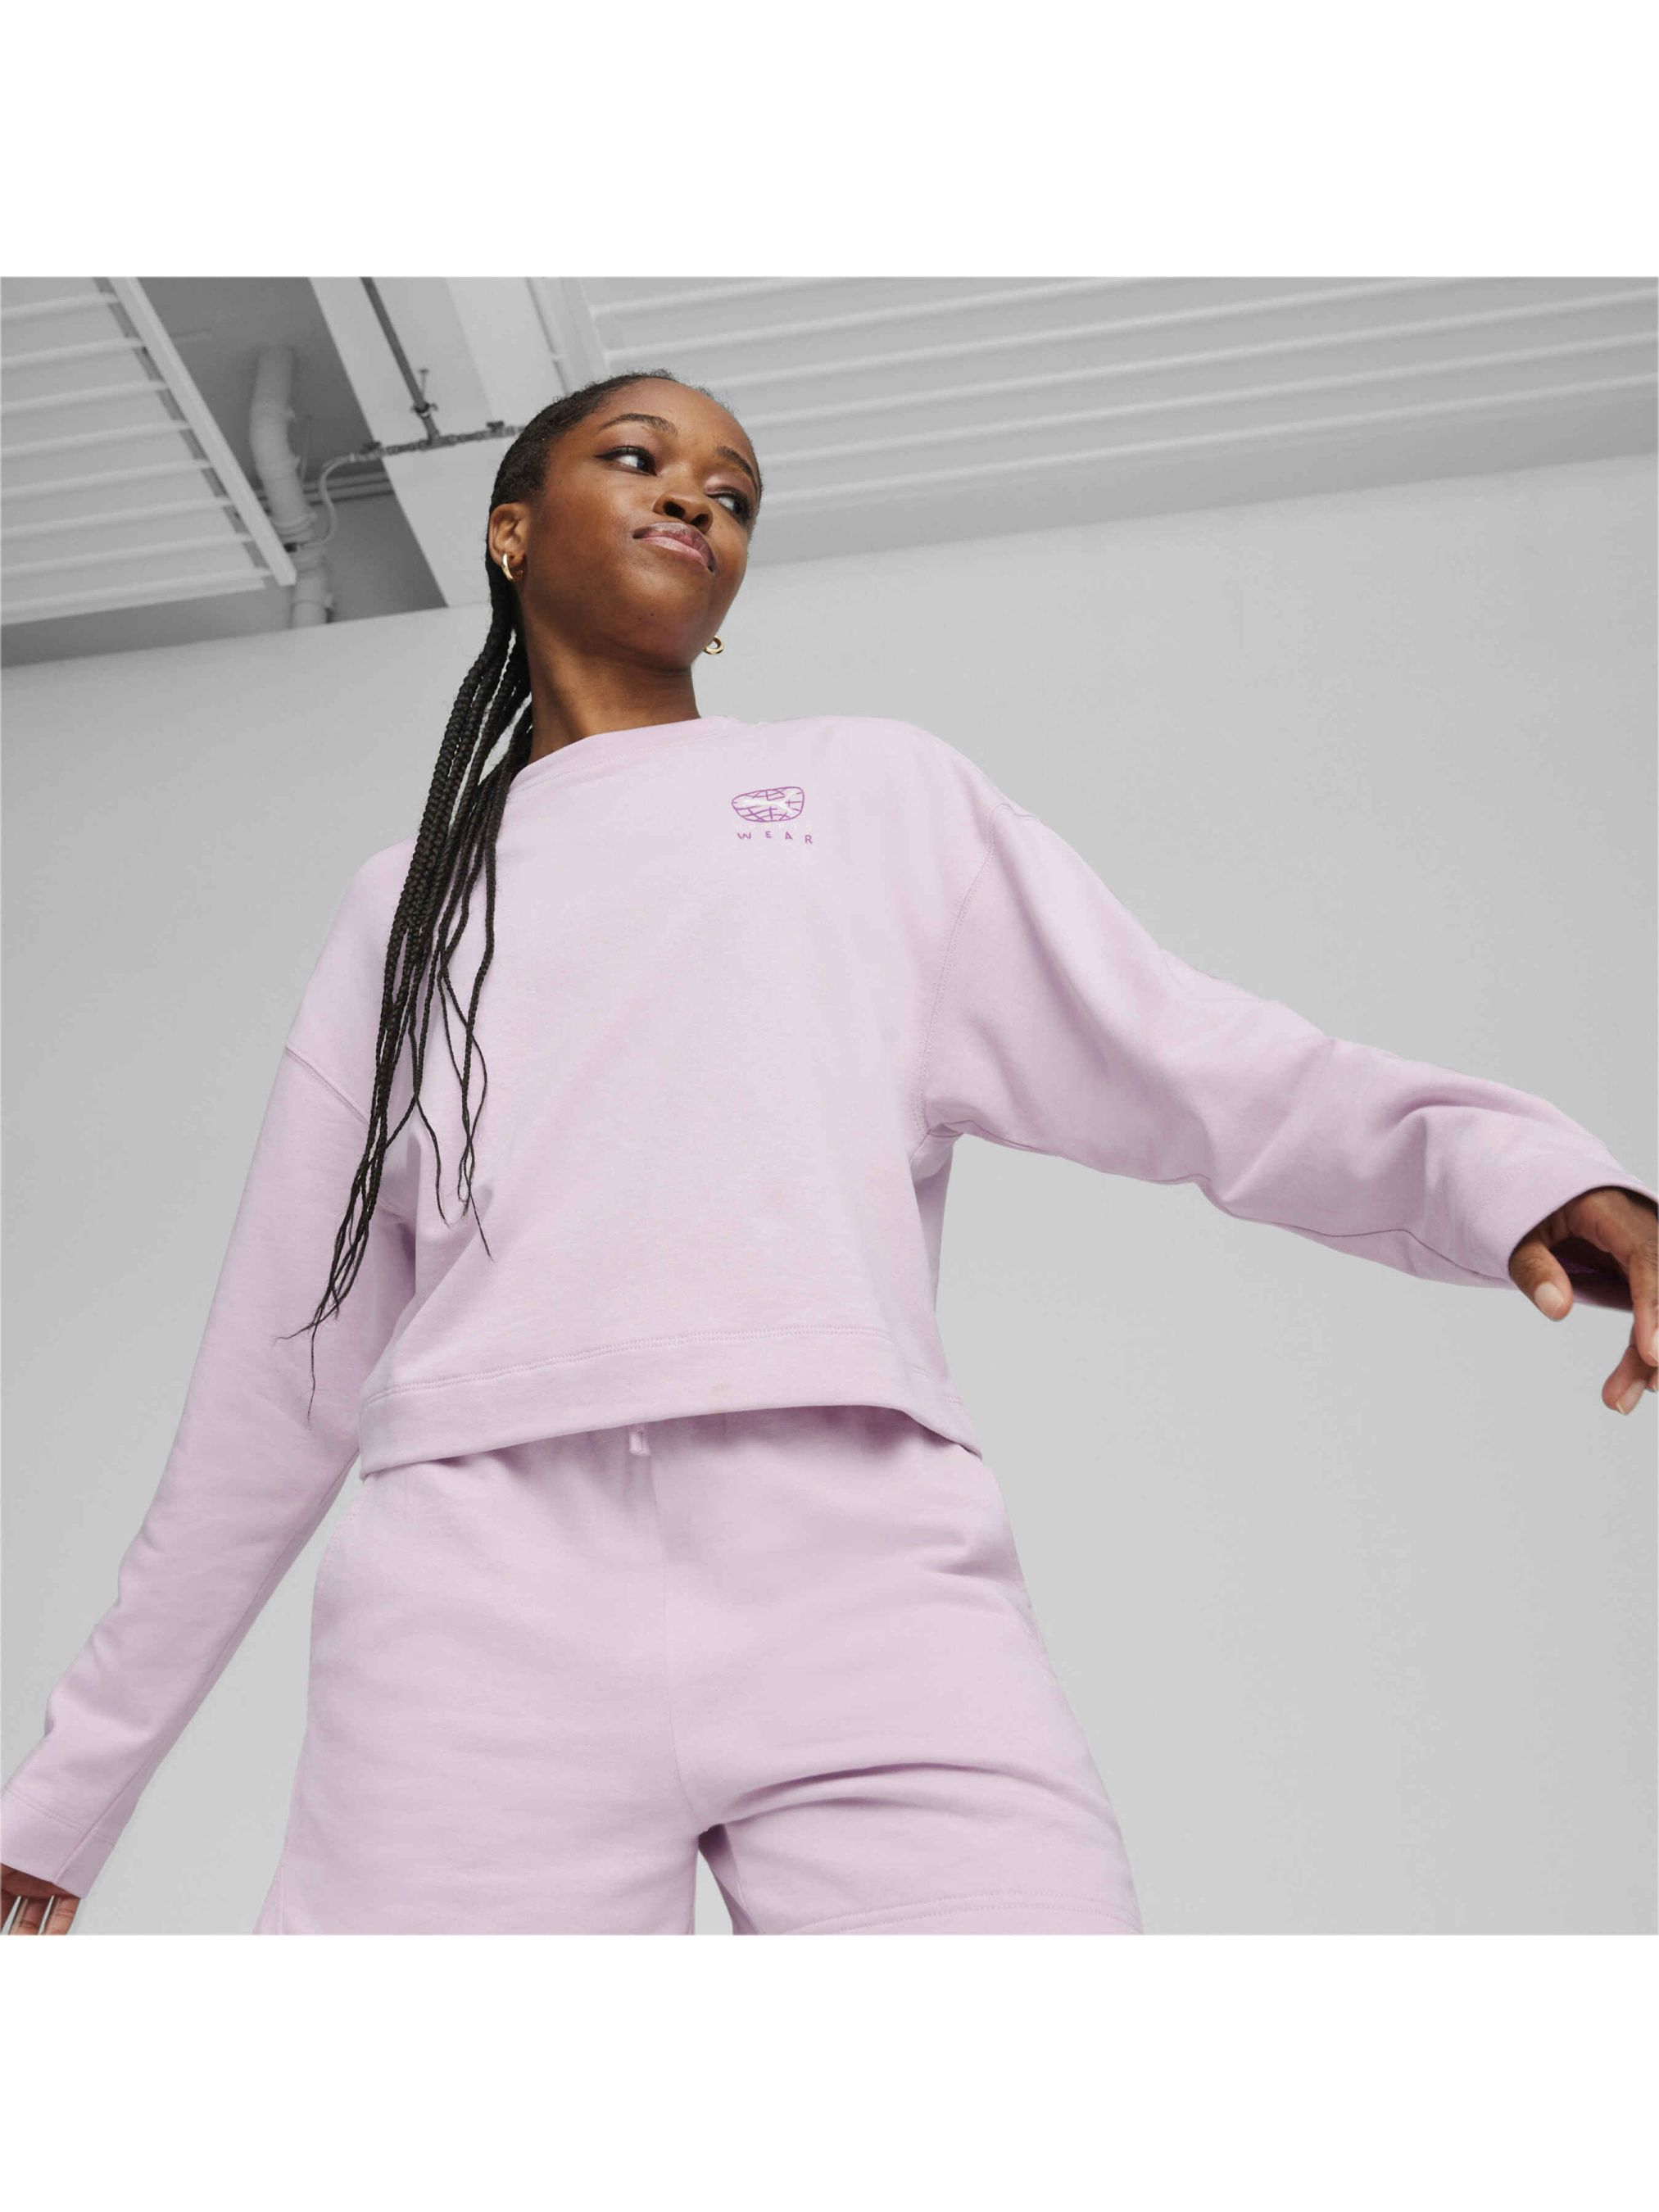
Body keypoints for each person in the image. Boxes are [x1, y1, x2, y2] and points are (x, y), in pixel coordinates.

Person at [3, 370, 1654, 1938]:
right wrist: (69, 1791)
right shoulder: (408, 901)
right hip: (470, 1607)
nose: (694, 501)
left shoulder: (869, 792)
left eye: (732, 494)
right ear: (509, 528)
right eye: (638, 460)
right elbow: (280, 1369)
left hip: (856, 1560)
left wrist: (1506, 1172)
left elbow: (1187, 1050)